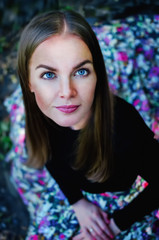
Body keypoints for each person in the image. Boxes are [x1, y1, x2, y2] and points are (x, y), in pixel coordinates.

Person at [5, 9, 159, 239]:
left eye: (81, 71)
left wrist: (115, 225)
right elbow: (51, 157)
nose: (66, 93)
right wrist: (77, 202)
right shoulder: (43, 113)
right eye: (48, 75)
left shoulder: (124, 129)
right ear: (29, 82)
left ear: (97, 73)